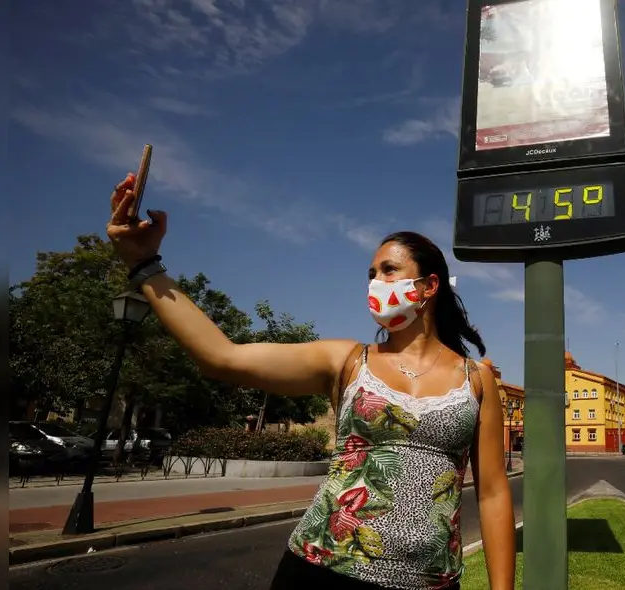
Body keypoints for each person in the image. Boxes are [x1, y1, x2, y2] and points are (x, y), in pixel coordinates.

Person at [106, 174, 516, 590]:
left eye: (389, 270)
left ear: (428, 286)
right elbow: (222, 357)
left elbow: (493, 494)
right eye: (371, 273)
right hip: (320, 571)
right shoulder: (347, 361)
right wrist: (144, 265)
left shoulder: (476, 380)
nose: (375, 282)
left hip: (429, 582)